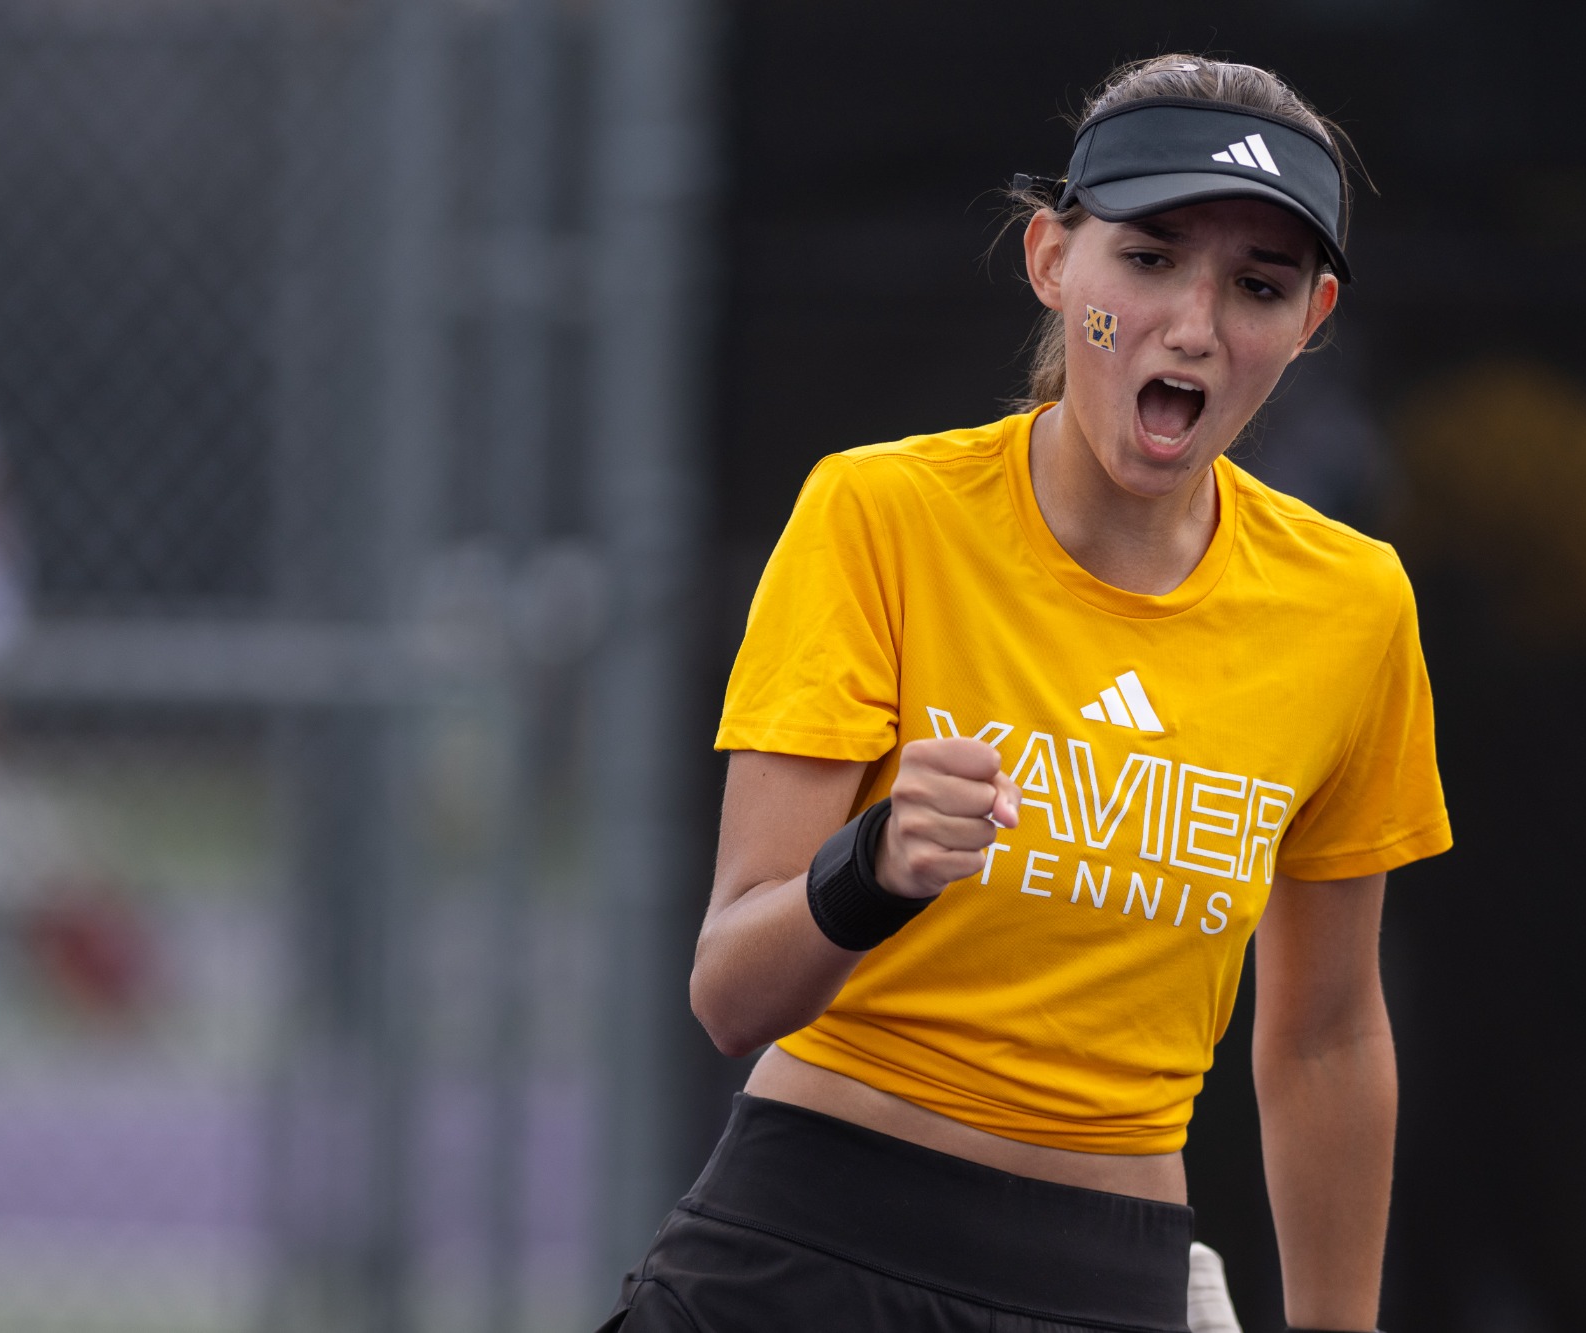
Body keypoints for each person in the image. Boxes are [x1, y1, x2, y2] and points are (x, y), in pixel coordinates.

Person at [601, 55, 1451, 1333]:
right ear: (1052, 259)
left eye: (1256, 286)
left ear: (1313, 318)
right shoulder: (879, 513)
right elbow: (729, 992)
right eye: (1149, 258)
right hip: (800, 1253)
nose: (1194, 325)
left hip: (1100, 1280)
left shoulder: (1351, 603)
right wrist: (872, 864)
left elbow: (1326, 1036)